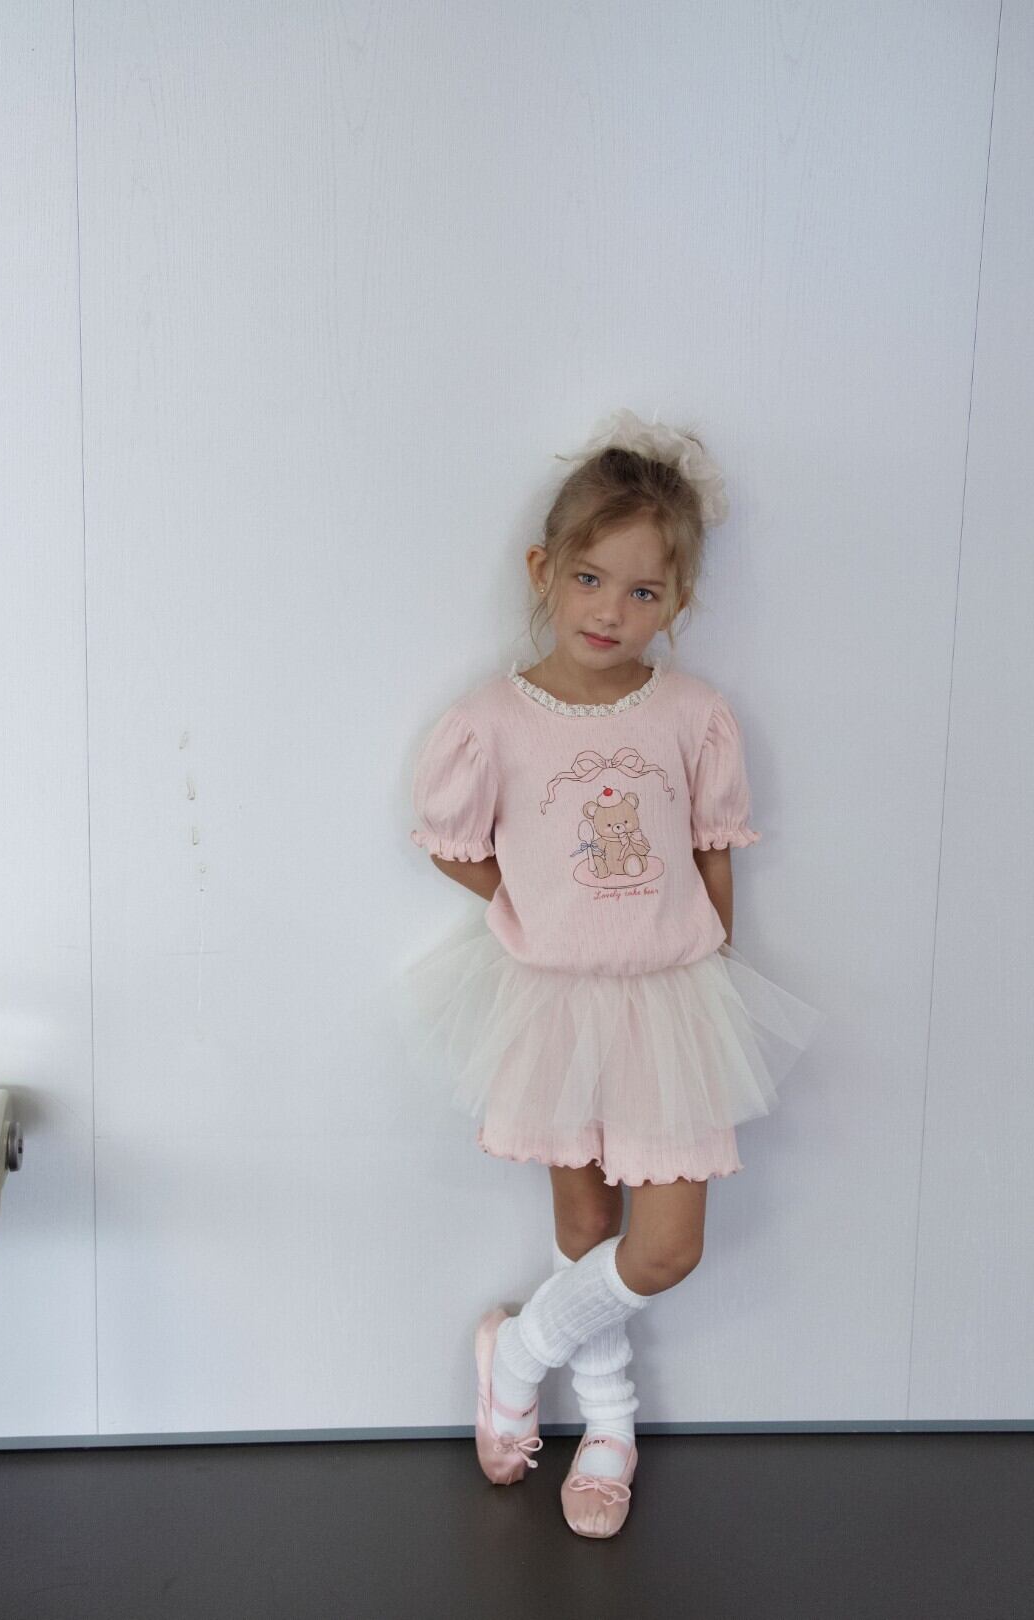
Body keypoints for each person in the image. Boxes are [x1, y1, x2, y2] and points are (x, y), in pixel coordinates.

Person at [391, 407, 826, 1538]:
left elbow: (713, 853)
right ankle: (610, 1427)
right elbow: (451, 843)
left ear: (677, 602)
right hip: (553, 1002)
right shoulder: (492, 721)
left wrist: (712, 961)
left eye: (643, 592)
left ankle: (517, 1354)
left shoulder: (692, 715)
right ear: (544, 571)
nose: (611, 611)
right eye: (590, 579)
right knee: (584, 1217)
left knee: (666, 1245)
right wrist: (530, 902)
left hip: (673, 1001)